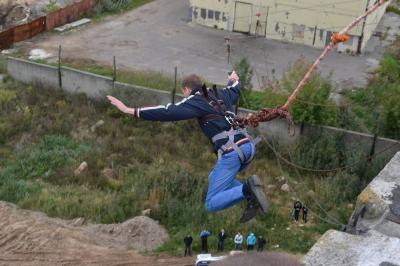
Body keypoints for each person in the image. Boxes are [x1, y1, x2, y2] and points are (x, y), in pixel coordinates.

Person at [107, 71, 268, 223]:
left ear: (186, 89)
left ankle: (247, 190)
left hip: (233, 153)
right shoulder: (219, 93)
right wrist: (234, 79)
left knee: (211, 203)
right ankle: (252, 196)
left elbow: (168, 112)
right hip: (248, 147)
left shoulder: (195, 100)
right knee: (213, 178)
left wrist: (131, 111)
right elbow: (234, 89)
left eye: (183, 93)